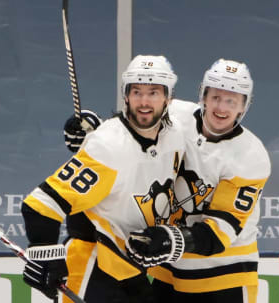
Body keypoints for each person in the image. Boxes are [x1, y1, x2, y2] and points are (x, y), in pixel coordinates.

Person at [64, 59, 271, 303]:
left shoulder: (251, 156)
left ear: (244, 106)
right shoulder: (176, 116)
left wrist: (172, 239)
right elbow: (129, 131)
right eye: (215, 97)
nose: (221, 108)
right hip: (168, 272)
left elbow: (221, 230)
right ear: (203, 96)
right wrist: (94, 131)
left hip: (227, 277)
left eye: (231, 101)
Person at [21, 54, 187, 303]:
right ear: (125, 95)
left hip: (129, 267)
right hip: (93, 262)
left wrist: (94, 127)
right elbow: (41, 205)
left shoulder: (176, 134)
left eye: (153, 92)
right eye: (136, 91)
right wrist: (45, 254)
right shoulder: (108, 145)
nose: (144, 101)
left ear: (168, 97)